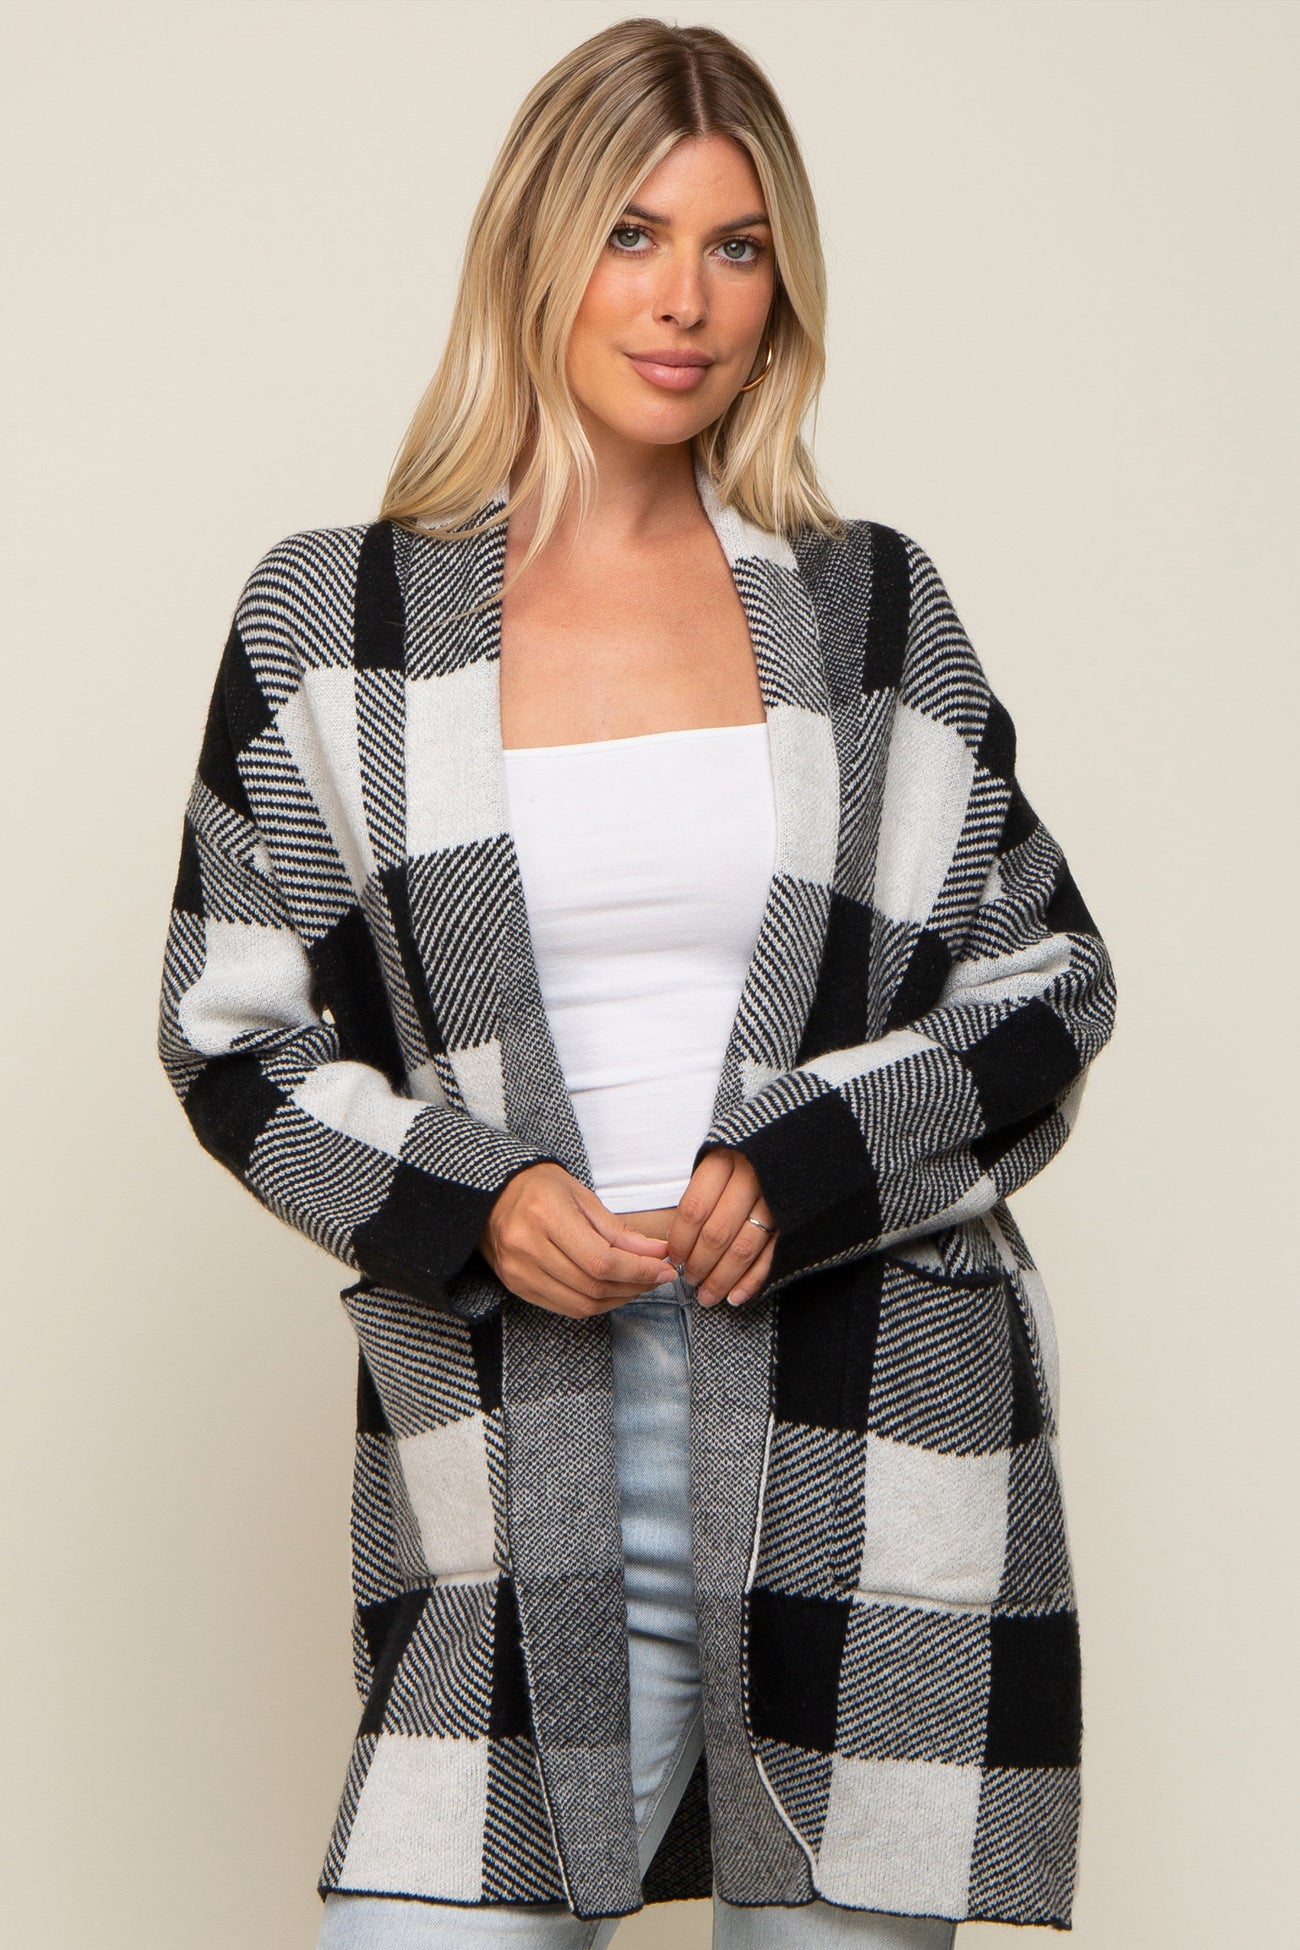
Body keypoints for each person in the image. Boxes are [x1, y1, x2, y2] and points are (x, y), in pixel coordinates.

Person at [156, 17, 1117, 1948]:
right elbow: (228, 1035)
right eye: (633, 234)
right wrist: (478, 1199)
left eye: (737, 247)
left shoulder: (867, 608)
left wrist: (811, 1160)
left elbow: (1047, 986)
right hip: (517, 1446)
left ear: (783, 287)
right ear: (538, 247)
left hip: (866, 1439)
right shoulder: (337, 623)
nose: (687, 299)